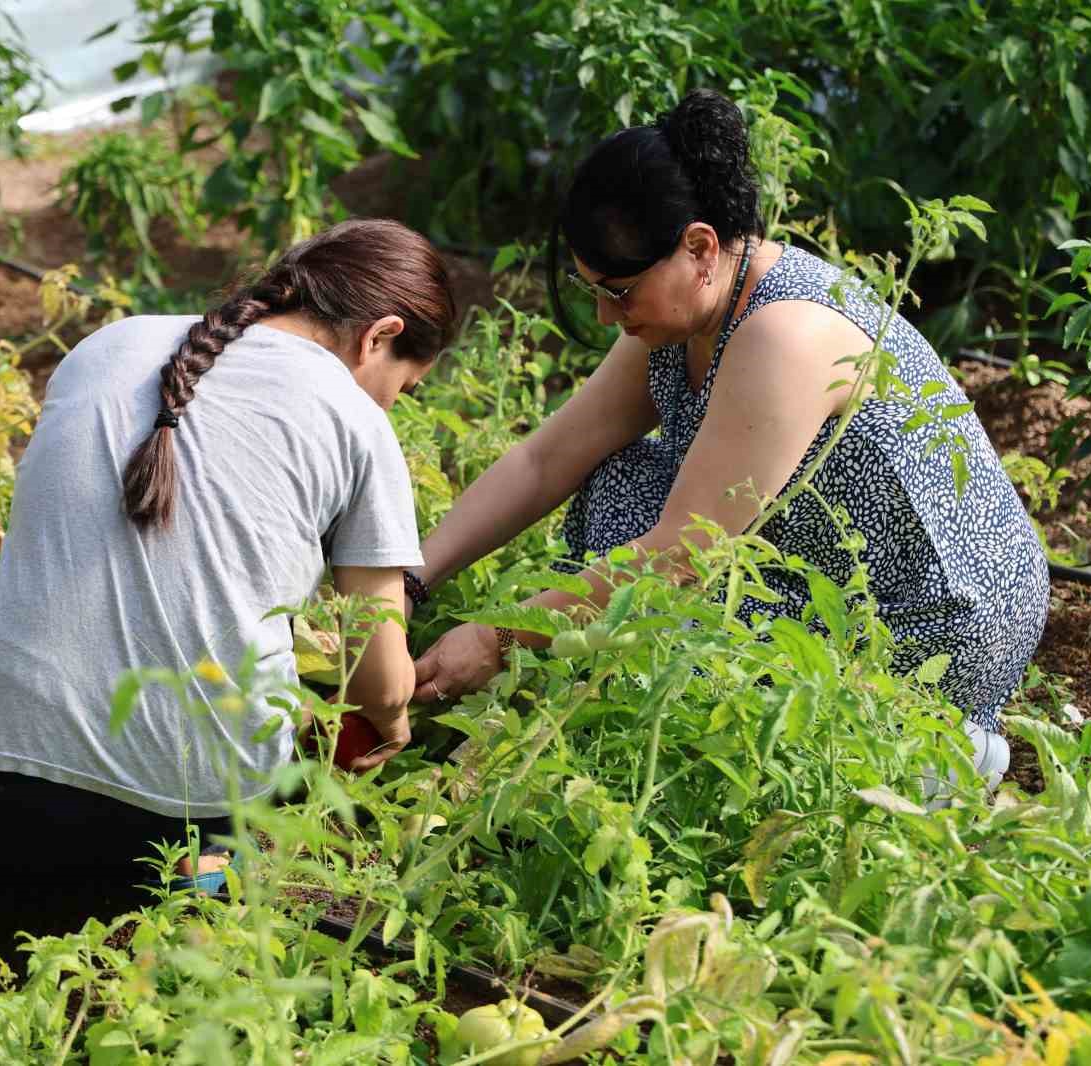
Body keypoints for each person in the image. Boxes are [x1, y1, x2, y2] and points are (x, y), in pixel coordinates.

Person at [405, 89, 1048, 789]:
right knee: (618, 480)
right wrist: (410, 577)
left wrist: (499, 638)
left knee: (673, 622)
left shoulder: (784, 332)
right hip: (826, 569)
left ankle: (935, 751)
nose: (602, 313)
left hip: (930, 621)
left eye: (617, 291)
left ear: (699, 247)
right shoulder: (691, 311)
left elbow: (683, 553)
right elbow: (545, 458)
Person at [0, 218, 457, 966]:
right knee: (237, 810)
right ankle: (203, 887)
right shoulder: (356, 421)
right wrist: (394, 715)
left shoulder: (109, 343)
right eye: (403, 390)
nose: (391, 407)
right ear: (379, 335)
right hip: (168, 811)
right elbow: (377, 678)